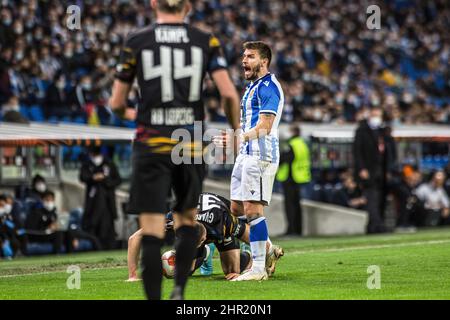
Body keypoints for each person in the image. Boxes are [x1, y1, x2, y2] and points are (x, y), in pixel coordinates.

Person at [109, 0, 240, 300]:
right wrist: (234, 131)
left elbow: (116, 104)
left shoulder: (137, 41)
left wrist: (139, 117)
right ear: (189, 6)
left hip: (151, 143)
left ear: (154, 3)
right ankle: (179, 292)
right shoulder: (205, 40)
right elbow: (229, 95)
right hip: (189, 142)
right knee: (185, 222)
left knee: (153, 227)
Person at [216, 41, 284, 281]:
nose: (244, 60)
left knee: (254, 211)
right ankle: (268, 250)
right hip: (246, 153)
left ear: (264, 61)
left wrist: (238, 136)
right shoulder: (253, 87)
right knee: (235, 209)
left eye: (250, 56)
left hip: (261, 154)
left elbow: (265, 126)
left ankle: (257, 269)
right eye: (244, 56)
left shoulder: (269, 87)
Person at [126, 193, 284, 281]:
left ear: (203, 239)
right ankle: (205, 254)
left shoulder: (223, 222)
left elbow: (253, 236)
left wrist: (266, 255)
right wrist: (132, 275)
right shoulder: (175, 218)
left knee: (231, 272)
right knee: (179, 272)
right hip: (198, 219)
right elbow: (134, 238)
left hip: (219, 222)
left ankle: (246, 257)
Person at [353, 106, 395, 233]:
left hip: (381, 170)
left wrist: (389, 170)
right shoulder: (361, 130)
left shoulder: (384, 131)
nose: (376, 117)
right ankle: (379, 225)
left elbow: (390, 152)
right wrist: (361, 168)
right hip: (368, 170)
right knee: (371, 199)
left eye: (378, 115)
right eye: (374, 114)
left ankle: (372, 227)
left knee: (380, 198)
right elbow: (357, 151)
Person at [79, 146, 122, 250]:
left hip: (108, 202)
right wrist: (93, 178)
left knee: (107, 226)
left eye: (95, 154)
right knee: (93, 224)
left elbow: (118, 180)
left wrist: (106, 180)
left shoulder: (109, 164)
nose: (94, 157)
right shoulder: (87, 165)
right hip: (92, 203)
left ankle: (109, 247)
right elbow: (82, 177)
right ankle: (95, 247)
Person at [276, 125, 311, 236]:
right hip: (299, 178)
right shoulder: (302, 144)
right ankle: (298, 229)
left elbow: (283, 159)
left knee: (290, 206)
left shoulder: (291, 145)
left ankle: (291, 230)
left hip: (290, 178)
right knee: (297, 205)